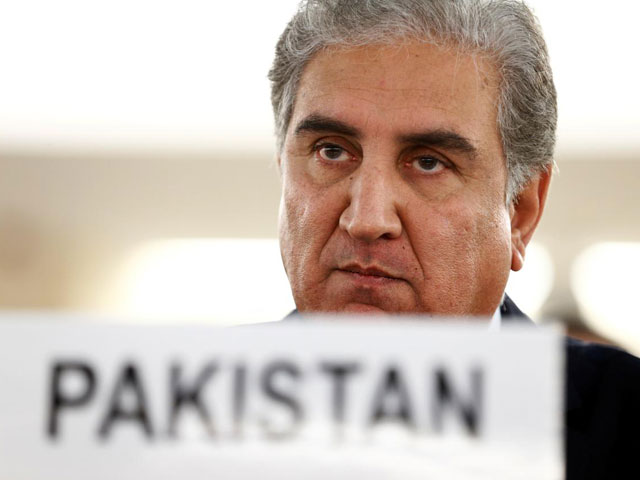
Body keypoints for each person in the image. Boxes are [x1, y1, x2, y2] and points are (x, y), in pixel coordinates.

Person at [268, 1, 640, 478]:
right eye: (333, 151)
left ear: (521, 213)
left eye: (428, 162)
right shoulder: (165, 423)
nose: (367, 219)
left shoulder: (629, 425)